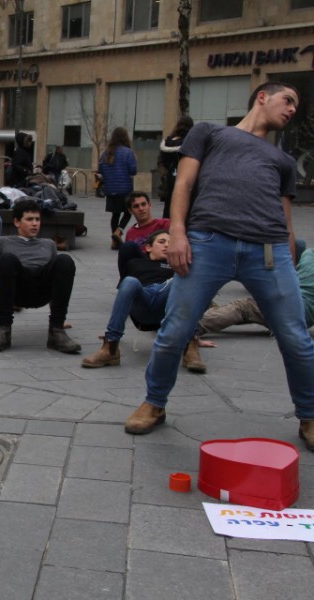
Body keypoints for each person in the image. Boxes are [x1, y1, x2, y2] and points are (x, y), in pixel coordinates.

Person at [124, 82, 314, 453]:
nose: (292, 109)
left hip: (269, 251)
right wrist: (178, 232)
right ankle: (154, 403)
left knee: (297, 339)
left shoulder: (283, 161)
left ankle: (309, 415)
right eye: (287, 100)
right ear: (262, 96)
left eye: (296, 105)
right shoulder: (210, 133)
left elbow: (287, 221)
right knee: (174, 330)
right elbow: (184, 185)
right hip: (209, 243)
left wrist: (289, 262)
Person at [82, 231, 206, 371]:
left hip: (166, 300)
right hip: (143, 298)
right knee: (129, 281)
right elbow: (127, 258)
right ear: (148, 248)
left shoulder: (177, 267)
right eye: (161, 242)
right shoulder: (135, 263)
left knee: (184, 281)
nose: (167, 245)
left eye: (170, 243)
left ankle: (191, 346)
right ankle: (110, 347)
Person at [0, 198, 81, 354]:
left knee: (64, 260)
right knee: (6, 260)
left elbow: (57, 281)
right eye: (29, 219)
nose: (35, 223)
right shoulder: (3, 242)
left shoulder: (48, 244)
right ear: (17, 222)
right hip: (19, 288)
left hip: (41, 288)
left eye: (37, 219)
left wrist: (60, 319)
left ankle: (56, 331)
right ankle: (3, 330)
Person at [198, 247, 314, 338]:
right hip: (304, 315)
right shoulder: (308, 256)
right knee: (251, 313)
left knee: (243, 308)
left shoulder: (309, 255)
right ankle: (212, 313)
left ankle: (192, 329)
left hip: (291, 308)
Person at [98, 127, 138, 250]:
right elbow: (133, 171)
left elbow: (101, 171)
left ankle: (114, 241)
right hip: (125, 189)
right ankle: (118, 232)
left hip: (111, 189)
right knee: (129, 211)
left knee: (115, 214)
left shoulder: (106, 153)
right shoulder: (128, 152)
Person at [117, 191, 170, 280]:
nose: (141, 209)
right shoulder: (131, 233)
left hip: (162, 267)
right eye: (136, 206)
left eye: (143, 204)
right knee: (128, 247)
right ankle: (124, 281)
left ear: (149, 205)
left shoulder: (165, 224)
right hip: (141, 270)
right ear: (130, 210)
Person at [157, 116, 194, 219]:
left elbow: (160, 162)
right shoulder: (192, 143)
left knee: (169, 210)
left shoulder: (167, 143)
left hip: (170, 181)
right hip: (187, 183)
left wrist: (164, 176)